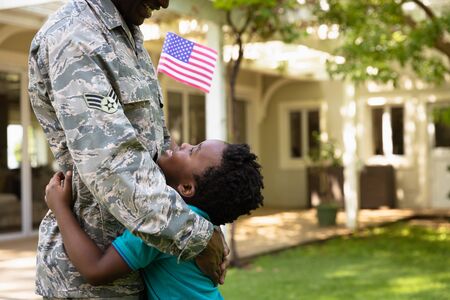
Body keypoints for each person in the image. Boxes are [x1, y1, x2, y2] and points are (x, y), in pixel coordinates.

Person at [28, 0, 227, 298]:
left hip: (141, 272)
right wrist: (196, 234)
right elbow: (111, 162)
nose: (165, 2)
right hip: (91, 284)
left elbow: (157, 148)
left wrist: (204, 219)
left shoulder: (126, 34)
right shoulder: (75, 37)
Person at [44, 140, 264, 299]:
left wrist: (60, 207)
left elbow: (96, 270)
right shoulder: (205, 221)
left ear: (186, 188)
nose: (184, 144)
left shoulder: (164, 223)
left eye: (192, 151)